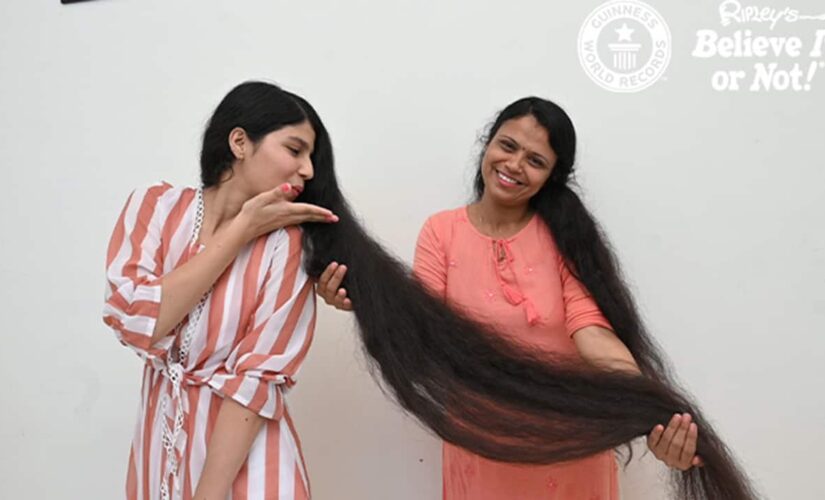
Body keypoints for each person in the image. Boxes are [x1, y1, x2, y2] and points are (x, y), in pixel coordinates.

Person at [318, 97, 704, 499]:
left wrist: (656, 410)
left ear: (552, 176)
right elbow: (422, 333)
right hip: (482, 447)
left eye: (536, 160)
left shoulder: (565, 240)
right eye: (507, 146)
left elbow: (594, 335)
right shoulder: (441, 233)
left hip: (571, 451)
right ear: (487, 144)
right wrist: (359, 298)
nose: (515, 164)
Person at [103, 81, 337, 500]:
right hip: (159, 452)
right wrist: (241, 229)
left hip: (247, 466)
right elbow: (138, 321)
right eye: (295, 149)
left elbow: (256, 381)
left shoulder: (288, 246)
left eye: (311, 157)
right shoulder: (154, 207)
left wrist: (208, 493)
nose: (309, 170)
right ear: (240, 142)